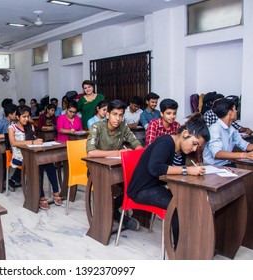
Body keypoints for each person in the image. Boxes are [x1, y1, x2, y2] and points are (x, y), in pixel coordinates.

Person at [127, 113, 210, 246]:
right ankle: (179, 248)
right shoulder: (165, 143)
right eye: (194, 144)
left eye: (197, 147)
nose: (194, 149)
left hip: (156, 186)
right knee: (178, 205)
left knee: (190, 199)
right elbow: (155, 168)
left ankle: (194, 241)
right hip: (142, 189)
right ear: (185, 134)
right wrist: (187, 170)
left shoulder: (181, 150)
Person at [86, 99, 143, 230]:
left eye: (121, 115)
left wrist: (139, 150)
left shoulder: (123, 126)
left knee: (136, 185)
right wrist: (118, 152)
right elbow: (91, 152)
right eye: (114, 114)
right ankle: (113, 215)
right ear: (107, 115)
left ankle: (113, 211)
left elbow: (135, 143)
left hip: (117, 169)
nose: (118, 118)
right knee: (112, 187)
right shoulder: (97, 127)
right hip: (97, 170)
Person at [8, 106, 63, 210]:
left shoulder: (30, 127)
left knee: (49, 163)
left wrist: (38, 140)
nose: (26, 119)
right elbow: (13, 143)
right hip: (19, 157)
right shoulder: (12, 128)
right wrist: (32, 142)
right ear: (18, 117)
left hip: (32, 155)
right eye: (24, 117)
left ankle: (55, 192)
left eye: (28, 117)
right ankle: (41, 196)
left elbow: (34, 140)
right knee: (39, 166)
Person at [203, 98, 253, 166]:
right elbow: (217, 154)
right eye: (235, 109)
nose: (236, 111)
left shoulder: (231, 129)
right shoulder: (215, 128)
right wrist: (244, 155)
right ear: (230, 113)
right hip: (213, 167)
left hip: (226, 164)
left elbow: (245, 145)